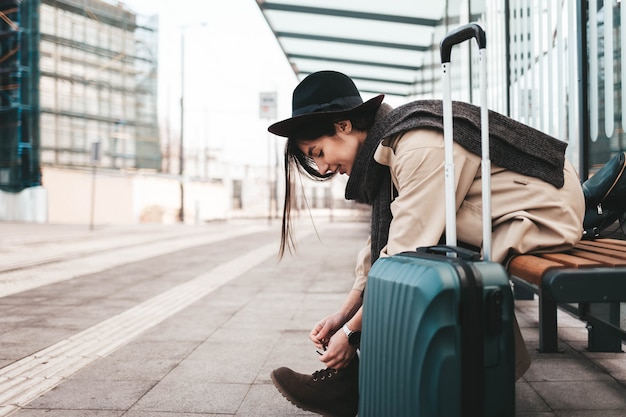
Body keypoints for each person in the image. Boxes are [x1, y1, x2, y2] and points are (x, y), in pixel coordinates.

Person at [267, 70, 585, 417]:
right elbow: (386, 239)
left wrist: (351, 332)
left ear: (343, 126)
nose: (325, 168)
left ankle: (366, 384)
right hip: (517, 205)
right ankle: (358, 382)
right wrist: (344, 313)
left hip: (547, 208)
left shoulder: (417, 144)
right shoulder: (393, 142)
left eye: (319, 152)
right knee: (417, 254)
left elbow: (400, 251)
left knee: (420, 264)